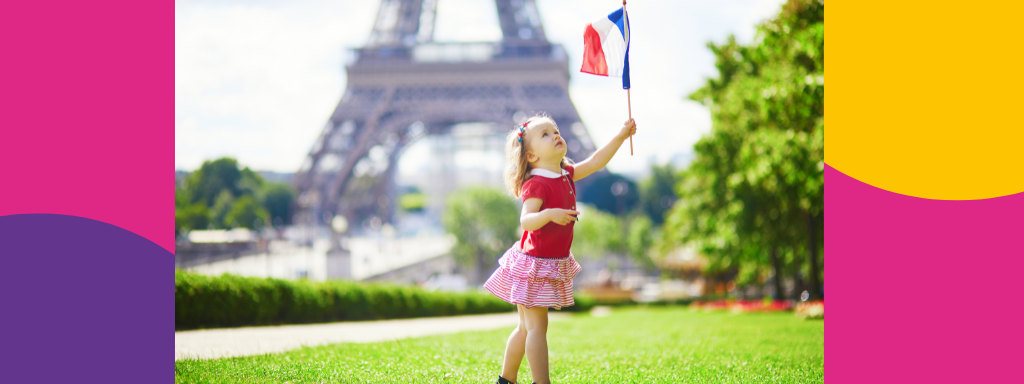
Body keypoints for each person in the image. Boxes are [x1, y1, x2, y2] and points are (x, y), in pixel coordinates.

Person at [484, 113, 637, 384]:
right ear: (531, 156)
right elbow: (526, 220)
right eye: (545, 134)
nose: (555, 135)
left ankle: (506, 380)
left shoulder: (565, 173)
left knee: (526, 327)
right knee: (536, 328)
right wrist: (550, 214)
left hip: (545, 261)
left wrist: (621, 136)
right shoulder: (537, 183)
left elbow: (596, 160)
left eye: (555, 130)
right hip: (533, 264)